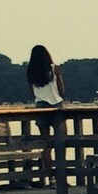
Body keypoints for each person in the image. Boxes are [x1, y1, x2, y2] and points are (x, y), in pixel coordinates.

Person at [26, 45, 65, 186]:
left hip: (40, 106)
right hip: (56, 106)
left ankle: (51, 178)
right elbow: (62, 92)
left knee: (46, 144)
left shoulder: (31, 71)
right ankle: (61, 177)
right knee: (61, 143)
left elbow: (32, 93)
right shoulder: (54, 69)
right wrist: (59, 77)